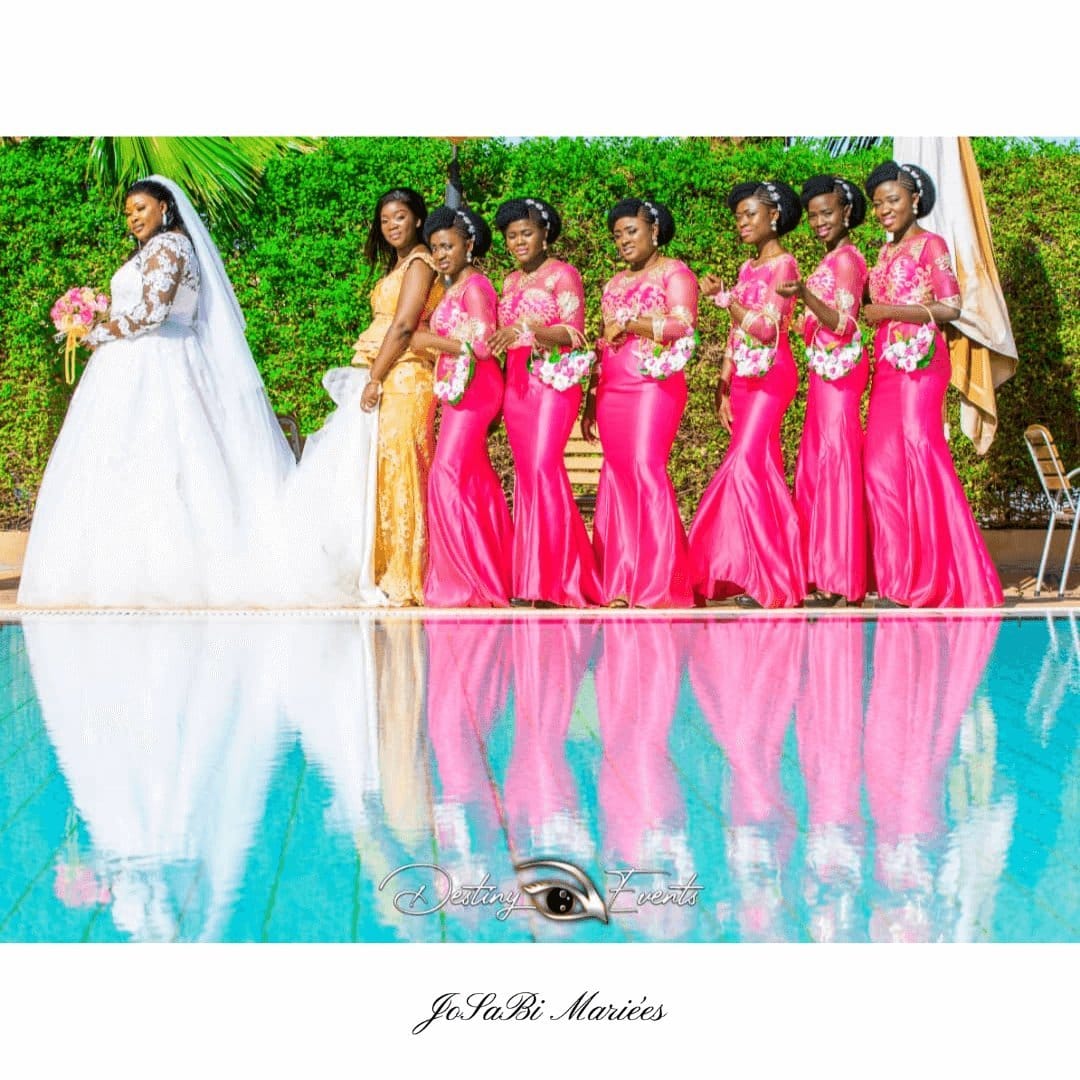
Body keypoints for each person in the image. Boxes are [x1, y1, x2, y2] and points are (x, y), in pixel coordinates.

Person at [18, 176, 296, 608]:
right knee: (127, 458)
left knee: (166, 456)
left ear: (165, 207)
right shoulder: (153, 250)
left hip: (161, 361)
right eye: (128, 212)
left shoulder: (171, 246)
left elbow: (153, 312)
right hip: (137, 362)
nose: (133, 218)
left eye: (141, 208)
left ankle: (170, 574)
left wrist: (98, 330)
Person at [861, 161, 1004, 608]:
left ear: (915, 200)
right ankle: (897, 578)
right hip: (887, 368)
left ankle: (939, 578)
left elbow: (951, 307)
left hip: (922, 365)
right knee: (880, 468)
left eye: (893, 200)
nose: (884, 209)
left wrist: (891, 313)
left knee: (920, 456)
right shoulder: (882, 254)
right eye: (878, 203)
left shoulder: (932, 245)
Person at [689, 179, 807, 609]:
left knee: (744, 466)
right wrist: (723, 385)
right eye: (738, 216)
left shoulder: (785, 266)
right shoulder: (745, 269)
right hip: (743, 379)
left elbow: (764, 328)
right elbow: (737, 333)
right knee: (762, 467)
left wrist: (724, 300)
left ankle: (770, 578)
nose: (741, 222)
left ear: (773, 216)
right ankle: (755, 573)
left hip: (772, 375)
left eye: (749, 214)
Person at [582, 198, 697, 608]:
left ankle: (661, 583)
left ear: (654, 229)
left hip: (654, 383)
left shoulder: (675, 273)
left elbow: (684, 325)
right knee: (616, 475)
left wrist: (631, 323)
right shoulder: (612, 284)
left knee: (646, 467)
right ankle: (621, 581)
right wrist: (590, 402)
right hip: (613, 385)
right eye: (617, 236)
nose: (624, 241)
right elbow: (602, 343)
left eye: (631, 231)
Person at [488, 196, 601, 608]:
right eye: (512, 236)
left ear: (545, 233)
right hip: (517, 379)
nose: (519, 241)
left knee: (543, 465)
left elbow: (575, 335)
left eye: (526, 233)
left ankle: (561, 580)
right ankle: (532, 580)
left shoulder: (564, 275)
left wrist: (530, 328)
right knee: (527, 474)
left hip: (553, 378)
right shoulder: (508, 282)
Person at [408, 206, 513, 607]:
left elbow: (484, 345)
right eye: (435, 248)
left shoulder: (476, 287)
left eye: (448, 246)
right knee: (476, 481)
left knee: (446, 474)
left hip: (477, 387)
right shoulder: (453, 289)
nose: (440, 254)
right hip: (459, 386)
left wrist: (429, 342)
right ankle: (493, 573)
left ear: (469, 245)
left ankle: (464, 581)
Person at [779, 174, 870, 606]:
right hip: (823, 374)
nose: (818, 222)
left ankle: (841, 577)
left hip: (842, 374)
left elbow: (844, 324)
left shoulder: (848, 260)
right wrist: (804, 323)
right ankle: (820, 571)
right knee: (817, 463)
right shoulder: (828, 261)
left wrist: (806, 300)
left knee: (836, 460)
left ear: (847, 212)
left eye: (827, 213)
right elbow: (819, 325)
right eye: (813, 215)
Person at [351, 187, 444, 607]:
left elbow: (405, 325)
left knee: (404, 467)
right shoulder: (401, 265)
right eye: (386, 219)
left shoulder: (421, 263)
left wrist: (374, 377)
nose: (392, 225)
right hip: (388, 372)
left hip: (405, 377)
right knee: (382, 471)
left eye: (400, 217)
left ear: (419, 219)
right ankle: (386, 569)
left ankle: (408, 575)